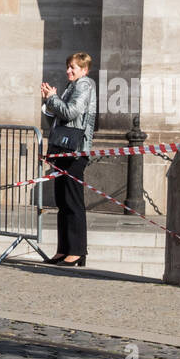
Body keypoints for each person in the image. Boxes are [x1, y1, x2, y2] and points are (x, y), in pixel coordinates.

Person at [41, 51, 99, 267]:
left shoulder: (84, 85)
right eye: (68, 67)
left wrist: (53, 99)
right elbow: (58, 119)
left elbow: (72, 112)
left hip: (75, 151)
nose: (68, 71)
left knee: (72, 201)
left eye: (72, 67)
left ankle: (76, 250)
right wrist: (49, 101)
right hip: (64, 149)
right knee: (62, 201)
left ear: (83, 69)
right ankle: (63, 249)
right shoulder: (71, 87)